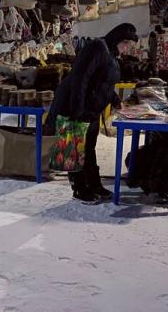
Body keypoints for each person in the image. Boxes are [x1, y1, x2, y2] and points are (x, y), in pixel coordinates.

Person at [45, 23, 138, 202]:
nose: (127, 49)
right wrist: (77, 109)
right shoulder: (97, 48)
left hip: (91, 108)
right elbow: (80, 78)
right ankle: (79, 188)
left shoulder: (110, 54)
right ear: (118, 39)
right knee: (74, 150)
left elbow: (103, 83)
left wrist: (116, 101)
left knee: (88, 148)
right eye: (126, 44)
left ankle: (93, 184)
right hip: (76, 105)